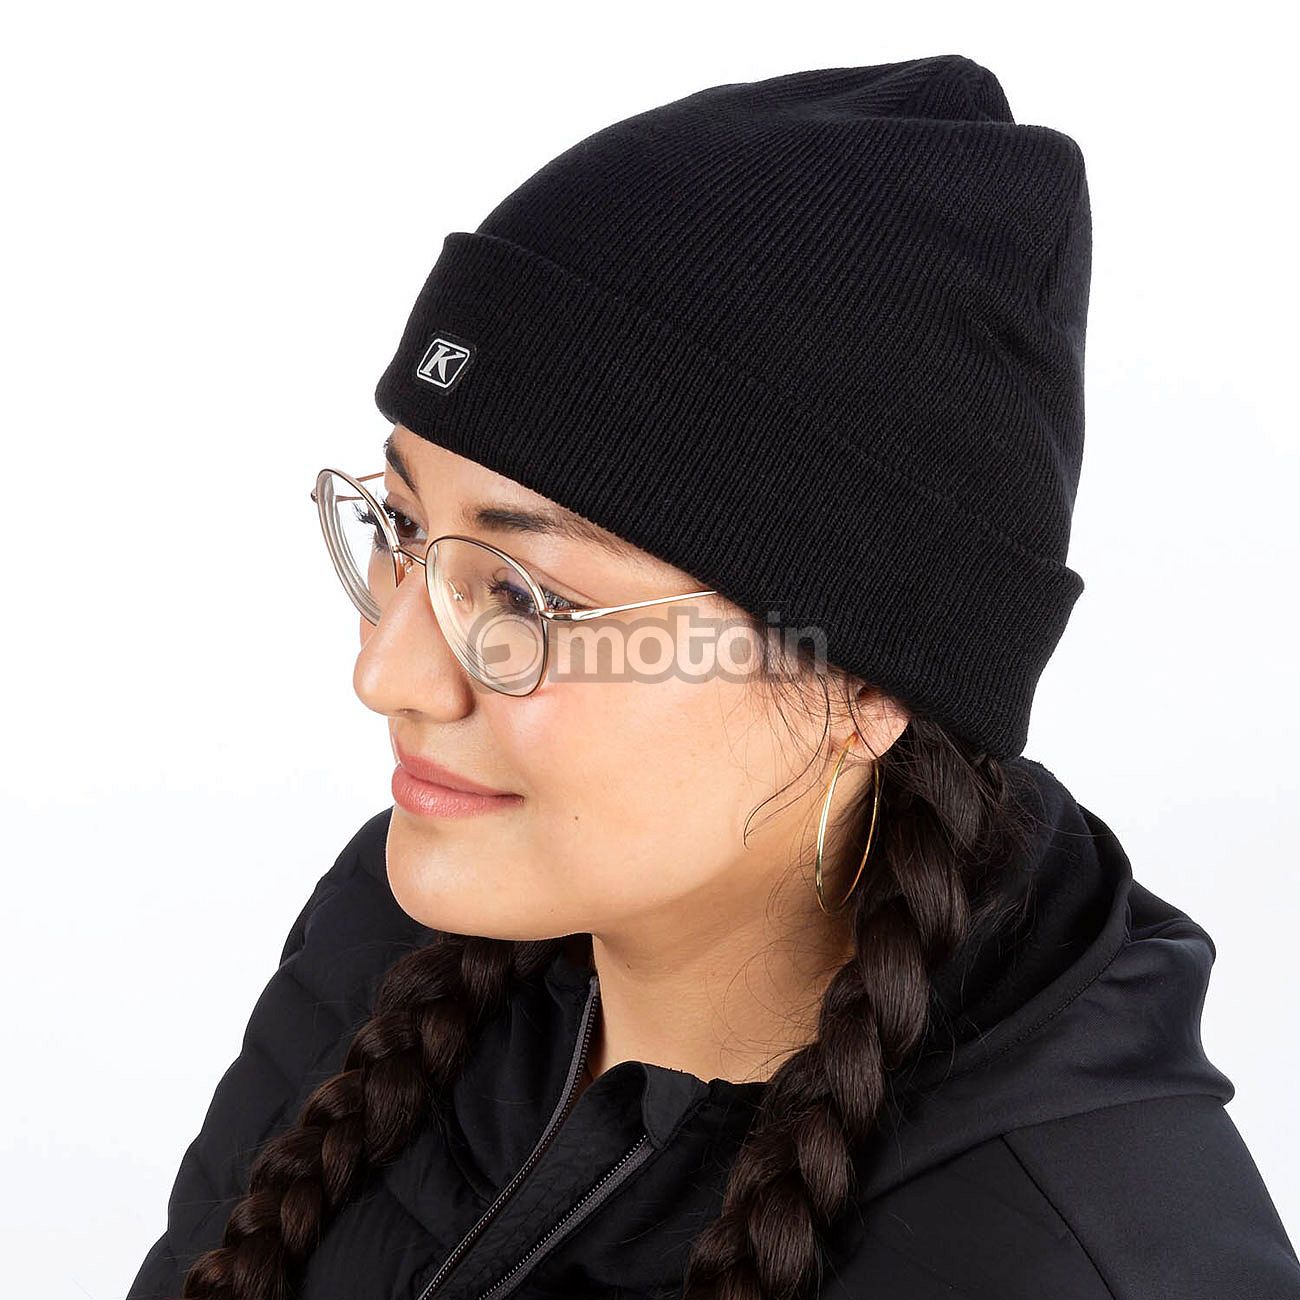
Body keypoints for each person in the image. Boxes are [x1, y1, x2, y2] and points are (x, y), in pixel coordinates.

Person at [128, 54, 1300, 1300]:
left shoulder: (1087, 1262)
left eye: (524, 595)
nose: (386, 672)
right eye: (404, 529)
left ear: (869, 685)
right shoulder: (399, 928)